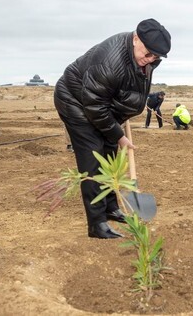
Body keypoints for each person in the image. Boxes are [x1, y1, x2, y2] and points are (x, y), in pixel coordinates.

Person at [54, 18, 171, 239]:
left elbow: (128, 86)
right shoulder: (109, 62)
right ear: (136, 38)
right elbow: (95, 105)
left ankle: (111, 207)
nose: (150, 60)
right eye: (148, 54)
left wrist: (120, 121)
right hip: (77, 102)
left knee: (110, 156)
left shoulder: (146, 58)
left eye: (156, 57)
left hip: (106, 108)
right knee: (93, 159)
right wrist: (118, 135)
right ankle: (96, 224)